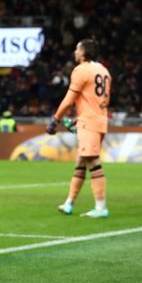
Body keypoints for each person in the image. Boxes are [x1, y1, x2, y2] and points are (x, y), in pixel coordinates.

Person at [47, 39, 111, 218]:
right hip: (99, 120)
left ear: (83, 52)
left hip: (89, 122)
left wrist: (55, 119)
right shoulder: (104, 71)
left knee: (92, 161)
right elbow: (98, 101)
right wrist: (79, 118)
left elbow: (69, 100)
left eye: (77, 49)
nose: (75, 52)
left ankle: (101, 207)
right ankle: (69, 203)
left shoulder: (81, 69)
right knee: (81, 162)